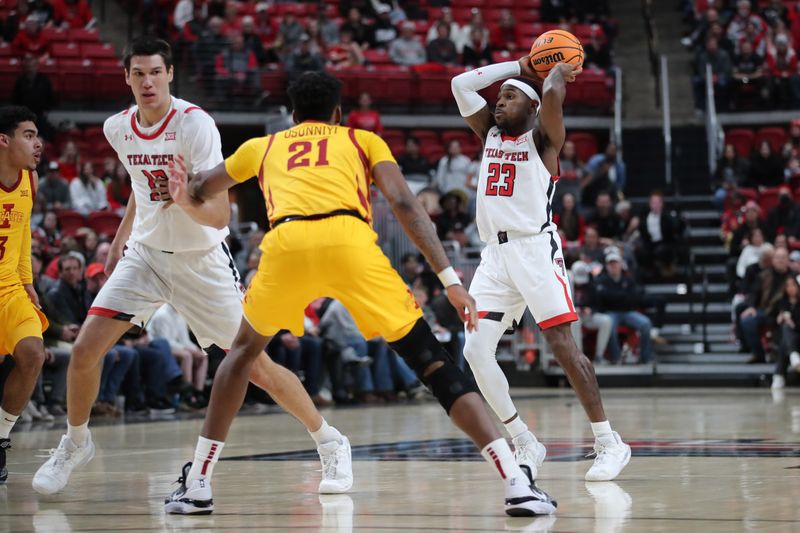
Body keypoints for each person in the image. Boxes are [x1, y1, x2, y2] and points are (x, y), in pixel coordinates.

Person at [164, 70, 556, 517]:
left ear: (292, 115)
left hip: (286, 244)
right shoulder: (362, 140)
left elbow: (201, 189)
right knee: (433, 362)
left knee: (241, 356)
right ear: (338, 113)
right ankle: (515, 483)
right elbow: (406, 205)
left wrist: (185, 189)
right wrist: (449, 280)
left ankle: (198, 482)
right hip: (349, 241)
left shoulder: (264, 146)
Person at [32, 37, 352, 499]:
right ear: (126, 78)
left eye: (155, 72)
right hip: (145, 257)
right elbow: (140, 191)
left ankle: (329, 440)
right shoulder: (116, 128)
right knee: (85, 349)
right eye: (138, 73)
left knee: (254, 367)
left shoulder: (194, 124)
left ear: (170, 74)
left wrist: (184, 200)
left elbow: (219, 214)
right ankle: (76, 441)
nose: (147, 82)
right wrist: (120, 241)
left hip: (201, 262)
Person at [450, 57, 630, 483]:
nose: (499, 102)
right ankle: (524, 439)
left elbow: (550, 95)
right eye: (499, 96)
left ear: (530, 109)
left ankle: (608, 441)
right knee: (474, 352)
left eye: (510, 96)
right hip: (494, 256)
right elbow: (460, 84)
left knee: (562, 346)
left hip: (535, 249)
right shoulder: (489, 133)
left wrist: (555, 70)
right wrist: (517, 64)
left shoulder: (543, 140)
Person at [0, 105, 49, 484]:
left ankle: (0, 439)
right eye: (28, 135)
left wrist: (28, 281)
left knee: (33, 353)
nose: (38, 144)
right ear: (4, 141)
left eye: (37, 136)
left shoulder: (29, 182)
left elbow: (22, 236)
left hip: (10, 288)